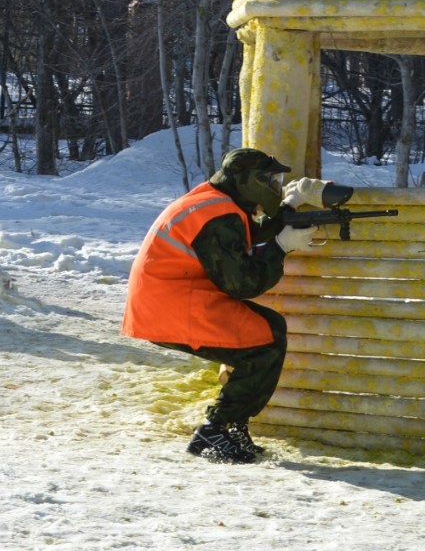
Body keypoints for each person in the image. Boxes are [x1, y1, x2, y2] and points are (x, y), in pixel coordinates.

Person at [121, 147, 328, 464]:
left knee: (265, 333)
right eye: (269, 180)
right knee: (264, 341)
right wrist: (282, 246)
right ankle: (214, 430)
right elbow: (242, 283)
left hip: (171, 300)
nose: (273, 186)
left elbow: (239, 243)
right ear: (247, 180)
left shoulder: (215, 202)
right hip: (171, 306)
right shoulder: (218, 214)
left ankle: (230, 426)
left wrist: (288, 208)